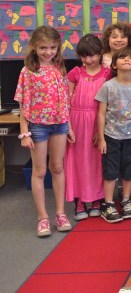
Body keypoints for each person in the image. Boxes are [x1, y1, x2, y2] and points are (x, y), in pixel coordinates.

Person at [15, 26, 74, 237]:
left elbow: (65, 100)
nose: (48, 52)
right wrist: (24, 132)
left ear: (58, 47)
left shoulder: (59, 68)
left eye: (52, 47)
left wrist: (69, 126)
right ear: (34, 47)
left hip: (60, 124)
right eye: (43, 48)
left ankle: (60, 213)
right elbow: (23, 103)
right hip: (38, 125)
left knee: (57, 167)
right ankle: (42, 218)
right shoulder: (28, 71)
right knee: (39, 171)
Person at [96, 48, 131, 223]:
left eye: (130, 58)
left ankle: (126, 200)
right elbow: (101, 114)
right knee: (110, 171)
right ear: (114, 65)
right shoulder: (108, 86)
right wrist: (101, 138)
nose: (126, 60)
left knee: (129, 169)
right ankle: (108, 203)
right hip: (111, 136)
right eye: (122, 58)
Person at [64, 34, 111, 221]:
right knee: (77, 162)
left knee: (97, 162)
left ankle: (97, 199)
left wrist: (101, 131)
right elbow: (66, 101)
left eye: (92, 55)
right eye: (84, 56)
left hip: (98, 121)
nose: (88, 60)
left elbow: (110, 103)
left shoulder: (108, 74)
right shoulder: (75, 73)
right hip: (76, 122)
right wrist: (68, 126)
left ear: (100, 53)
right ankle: (80, 201)